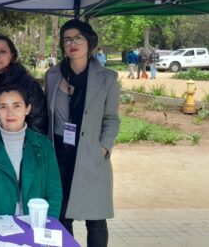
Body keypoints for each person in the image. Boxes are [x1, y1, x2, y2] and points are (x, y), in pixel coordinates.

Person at [45, 19, 120, 247]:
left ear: (89, 41)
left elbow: (111, 118)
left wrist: (103, 147)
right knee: (62, 215)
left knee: (95, 218)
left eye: (78, 38)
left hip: (90, 154)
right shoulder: (53, 75)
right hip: (58, 154)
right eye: (67, 39)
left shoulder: (107, 78)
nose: (72, 43)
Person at [0, 85, 62, 217]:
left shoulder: (44, 146)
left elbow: (54, 192)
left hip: (36, 224)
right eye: (3, 107)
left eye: (16, 106)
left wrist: (47, 224)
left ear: (27, 109)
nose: (10, 113)